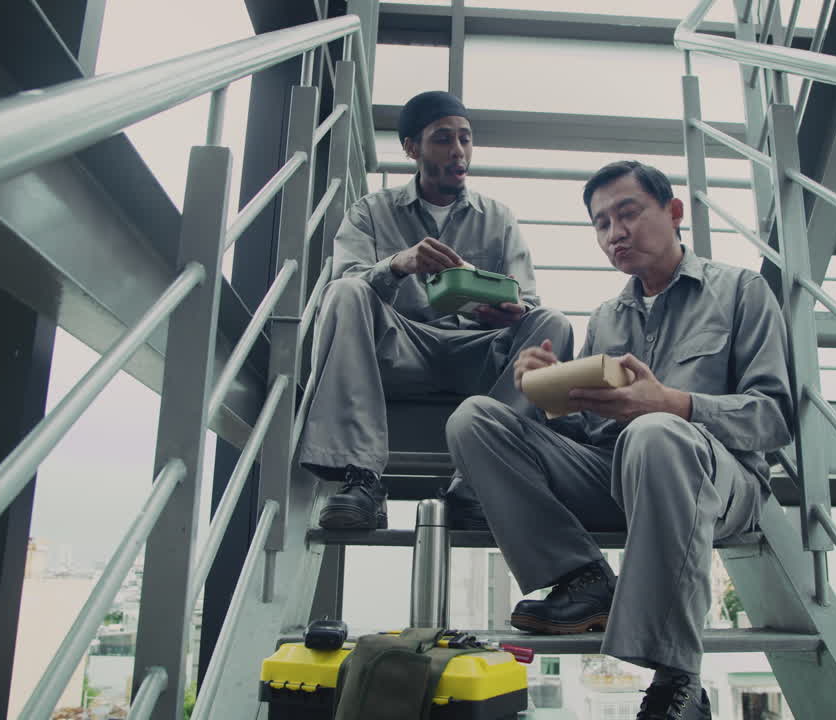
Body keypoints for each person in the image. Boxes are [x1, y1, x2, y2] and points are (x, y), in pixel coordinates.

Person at [445, 161, 793, 720]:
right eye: (601, 223)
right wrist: (544, 392)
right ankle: (582, 578)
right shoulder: (606, 317)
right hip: (617, 473)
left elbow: (774, 418)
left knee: (656, 431)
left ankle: (677, 677)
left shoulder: (741, 291)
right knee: (475, 419)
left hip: (719, 482)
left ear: (675, 213)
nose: (615, 233)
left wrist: (675, 404)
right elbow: (588, 434)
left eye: (628, 213)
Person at [298, 90, 573, 531]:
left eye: (465, 138)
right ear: (412, 148)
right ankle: (361, 478)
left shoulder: (498, 218)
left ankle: (476, 482)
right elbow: (347, 281)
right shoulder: (370, 212)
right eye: (443, 139)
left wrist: (505, 311)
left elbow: (529, 303)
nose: (459, 151)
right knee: (345, 292)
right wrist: (398, 264)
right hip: (399, 347)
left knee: (552, 323)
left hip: (476, 351)